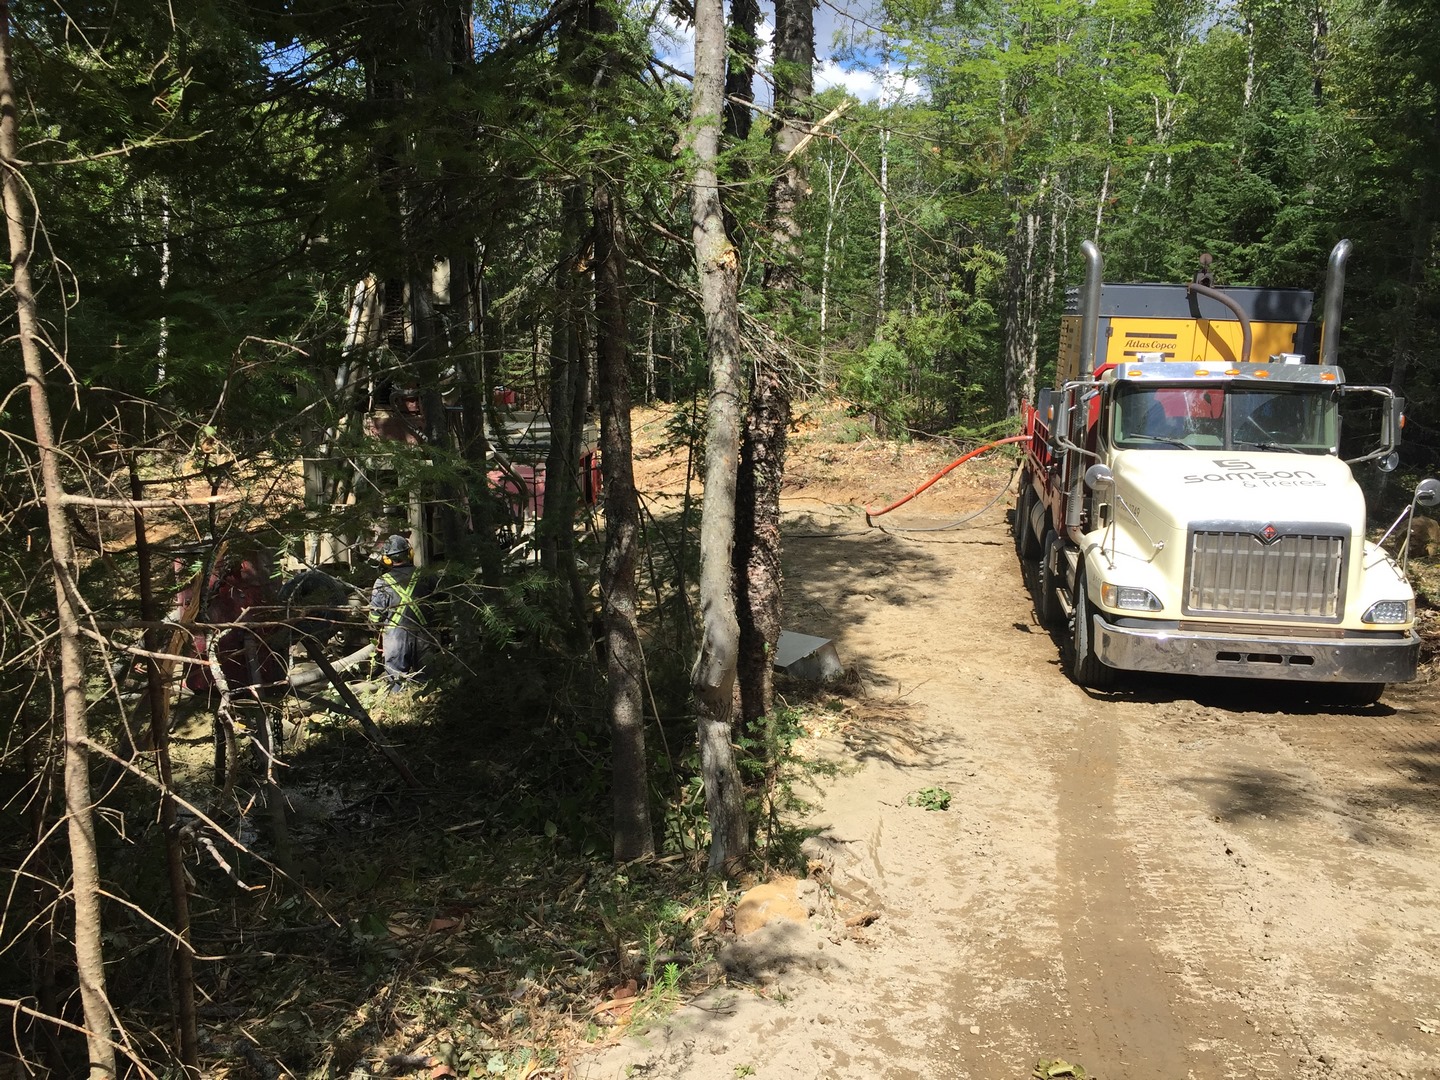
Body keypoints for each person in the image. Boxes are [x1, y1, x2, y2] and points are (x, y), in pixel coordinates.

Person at [369, 534, 434, 692]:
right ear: (409, 554)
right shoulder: (425, 576)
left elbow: (375, 617)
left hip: (395, 638)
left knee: (396, 683)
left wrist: (375, 629)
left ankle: (399, 710)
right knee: (426, 683)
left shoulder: (382, 582)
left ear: (387, 559)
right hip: (423, 634)